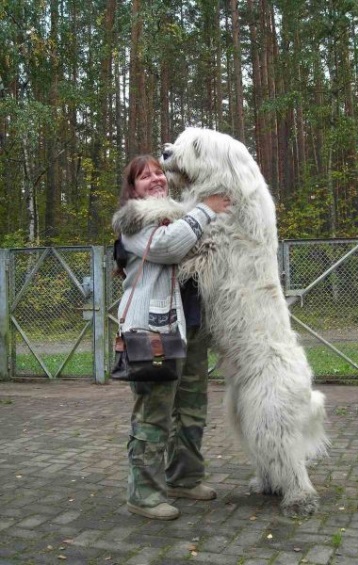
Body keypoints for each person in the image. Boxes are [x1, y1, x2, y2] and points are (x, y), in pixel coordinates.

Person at [112, 154, 230, 521]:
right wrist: (206, 210)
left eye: (159, 173)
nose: (156, 179)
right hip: (154, 332)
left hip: (191, 327)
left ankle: (184, 478)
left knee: (192, 410)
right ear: (133, 188)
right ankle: (143, 494)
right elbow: (168, 246)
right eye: (144, 176)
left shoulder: (181, 214)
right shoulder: (133, 222)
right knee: (154, 414)